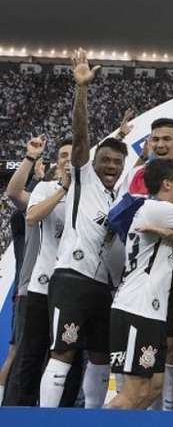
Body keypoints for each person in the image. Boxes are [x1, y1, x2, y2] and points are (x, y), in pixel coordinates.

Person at [39, 49, 128, 409]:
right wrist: (81, 90)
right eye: (105, 160)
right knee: (62, 350)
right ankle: (45, 418)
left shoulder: (118, 200)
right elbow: (79, 137)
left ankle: (93, 417)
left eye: (117, 163)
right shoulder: (83, 178)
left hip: (103, 286)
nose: (110, 166)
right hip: (72, 278)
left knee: (100, 355)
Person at [110, 115, 173, 411]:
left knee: (153, 386)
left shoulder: (166, 214)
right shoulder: (155, 208)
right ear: (168, 184)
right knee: (133, 392)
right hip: (135, 307)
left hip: (153, 310)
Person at [3, 139, 74, 406]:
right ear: (57, 165)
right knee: (23, 355)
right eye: (62, 155)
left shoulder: (88, 196)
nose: (67, 159)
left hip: (70, 291)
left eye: (72, 155)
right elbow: (13, 193)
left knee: (61, 358)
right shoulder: (43, 192)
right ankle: (13, 412)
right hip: (32, 288)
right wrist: (31, 158)